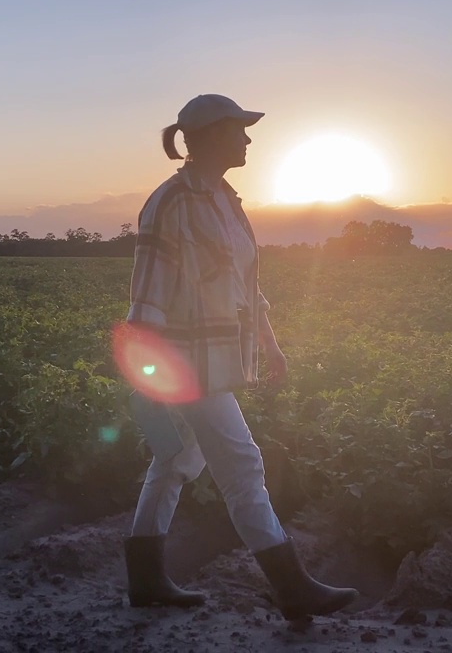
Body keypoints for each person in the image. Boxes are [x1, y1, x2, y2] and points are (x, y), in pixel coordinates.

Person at [121, 94, 358, 621]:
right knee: (243, 465)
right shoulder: (172, 203)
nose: (248, 140)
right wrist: (147, 372)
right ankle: (291, 586)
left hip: (218, 358)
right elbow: (149, 291)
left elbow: (244, 288)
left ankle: (146, 580)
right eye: (239, 131)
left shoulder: (225, 198)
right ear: (206, 138)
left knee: (176, 460)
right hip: (186, 365)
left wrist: (269, 343)